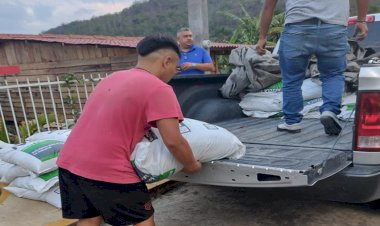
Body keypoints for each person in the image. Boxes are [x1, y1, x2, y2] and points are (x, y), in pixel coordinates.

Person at [56, 34, 202, 226]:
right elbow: (174, 140)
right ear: (167, 61)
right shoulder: (159, 88)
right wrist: (192, 165)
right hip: (109, 169)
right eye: (175, 68)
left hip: (69, 162)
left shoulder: (112, 78)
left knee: (89, 218)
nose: (173, 74)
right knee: (143, 220)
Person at [256, 0, 368, 135]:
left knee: (292, 79)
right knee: (332, 74)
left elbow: (269, 5)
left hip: (297, 28)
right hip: (333, 28)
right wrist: (361, 21)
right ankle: (330, 110)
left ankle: (292, 122)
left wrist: (262, 37)